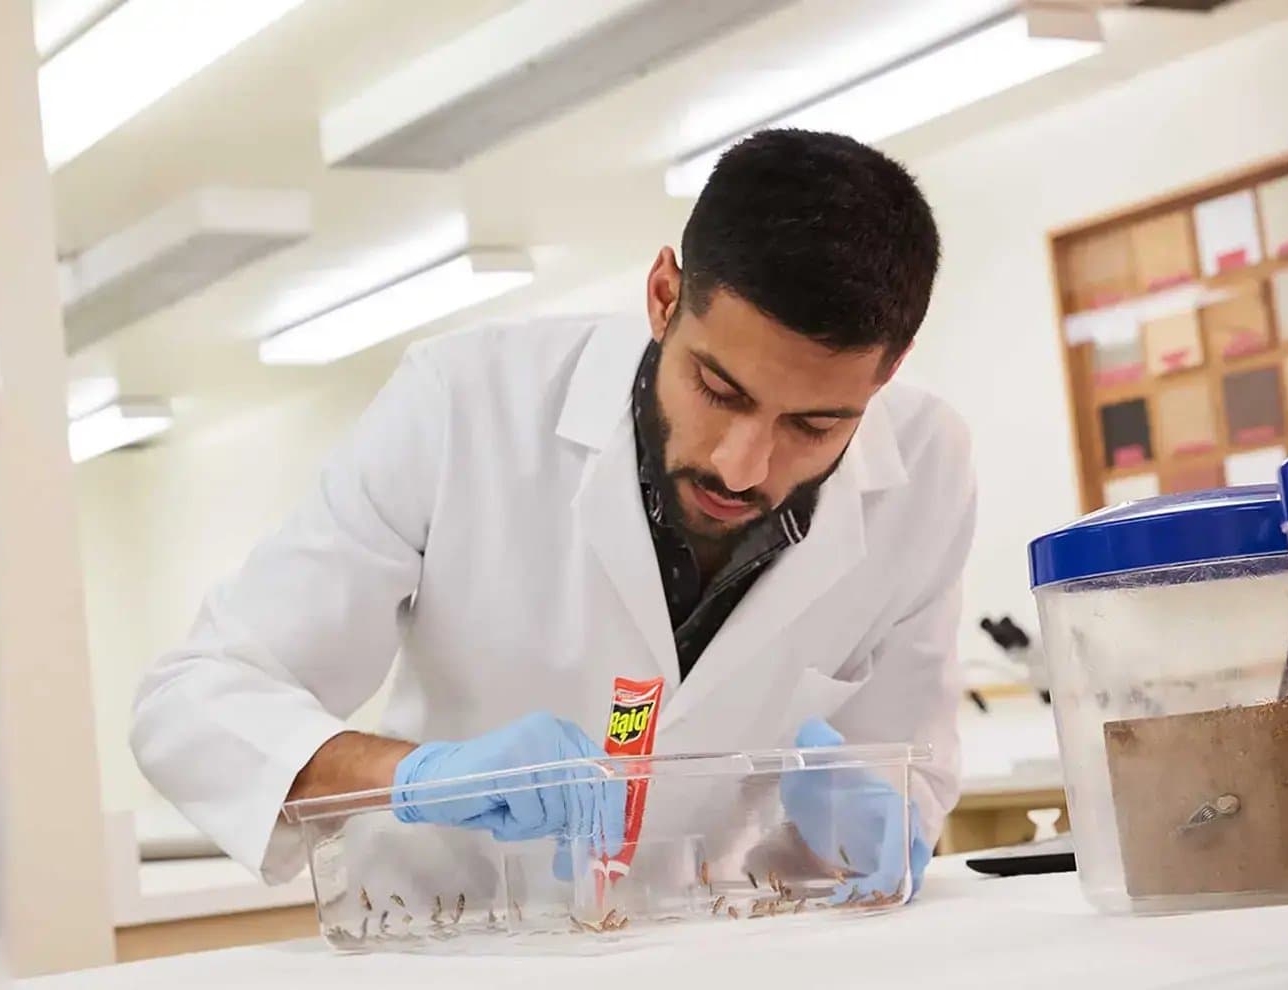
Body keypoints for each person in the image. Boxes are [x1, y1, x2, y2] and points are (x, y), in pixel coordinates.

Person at [132, 129, 975, 897]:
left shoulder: (926, 468)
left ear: (888, 373)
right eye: (719, 390)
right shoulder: (463, 404)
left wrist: (870, 828)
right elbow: (197, 699)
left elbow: (904, 786)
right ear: (663, 294)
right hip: (449, 948)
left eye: (814, 424)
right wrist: (424, 777)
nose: (741, 464)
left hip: (723, 956)